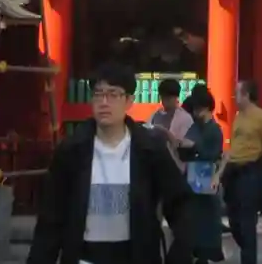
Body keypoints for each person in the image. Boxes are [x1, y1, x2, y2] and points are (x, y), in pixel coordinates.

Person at [27, 62, 190, 264]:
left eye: (113, 95)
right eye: (98, 94)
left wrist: (180, 254)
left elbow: (180, 203)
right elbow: (51, 218)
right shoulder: (72, 150)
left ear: (129, 101)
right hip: (84, 257)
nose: (104, 102)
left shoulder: (149, 149)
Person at [221, 80, 262, 264]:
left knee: (247, 224)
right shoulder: (238, 117)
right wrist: (219, 172)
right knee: (234, 222)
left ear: (246, 95)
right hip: (233, 173)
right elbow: (233, 148)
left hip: (250, 173)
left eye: (236, 93)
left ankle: (248, 260)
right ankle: (246, 249)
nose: (234, 97)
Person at [174, 88, 224, 264]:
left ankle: (206, 254)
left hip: (206, 175)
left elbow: (213, 154)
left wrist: (194, 147)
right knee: (193, 219)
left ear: (207, 108)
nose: (196, 113)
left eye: (198, 109)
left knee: (206, 219)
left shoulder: (214, 130)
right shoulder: (195, 127)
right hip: (193, 175)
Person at [150, 79, 194, 166]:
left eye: (169, 98)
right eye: (163, 97)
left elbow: (184, 145)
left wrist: (165, 132)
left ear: (176, 97)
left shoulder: (185, 118)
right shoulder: (155, 115)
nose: (165, 101)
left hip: (176, 164)